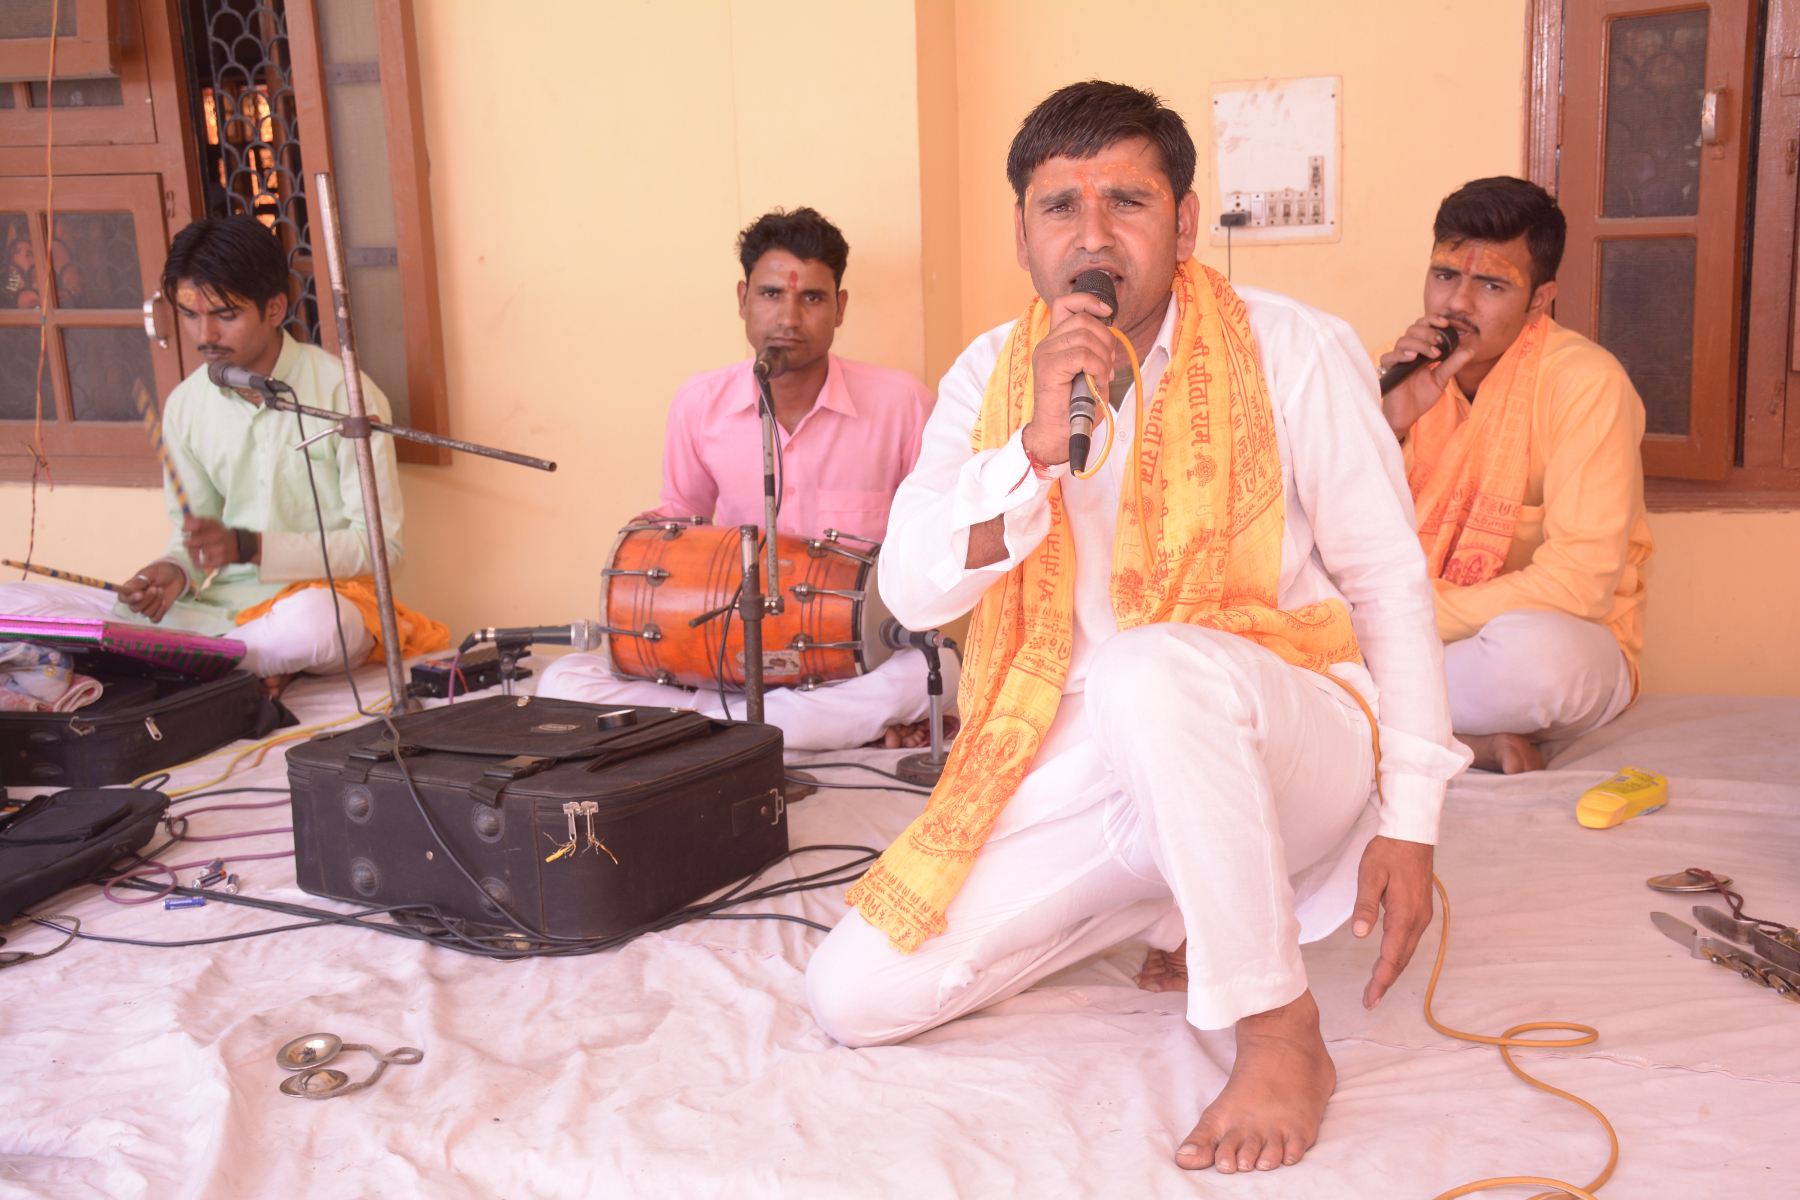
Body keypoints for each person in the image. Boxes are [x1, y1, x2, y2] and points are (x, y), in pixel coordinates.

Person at [804, 81, 1468, 1175]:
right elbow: (915, 594)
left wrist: (1414, 818)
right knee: (857, 995)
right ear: (1023, 233)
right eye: (1059, 206)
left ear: (1186, 221)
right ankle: (1181, 898)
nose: (1093, 235)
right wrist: (1027, 452)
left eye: (1127, 201)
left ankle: (1278, 1029)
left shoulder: (1295, 347)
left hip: (1283, 736)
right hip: (1083, 755)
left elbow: (1390, 584)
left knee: (1144, 671)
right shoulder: (988, 378)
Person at [537, 208, 946, 751]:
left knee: (933, 673)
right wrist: (641, 541)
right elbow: (681, 522)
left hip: (849, 658)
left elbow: (936, 544)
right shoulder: (700, 403)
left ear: (840, 307)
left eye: (812, 297)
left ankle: (717, 729)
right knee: (561, 679)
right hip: (727, 655)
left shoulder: (902, 404)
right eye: (771, 294)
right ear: (742, 299)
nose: (789, 318)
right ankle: (787, 727)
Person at [0, 215, 445, 695]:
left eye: (225, 315)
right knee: (17, 600)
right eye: (190, 315)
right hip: (220, 612)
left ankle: (200, 663)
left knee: (317, 623)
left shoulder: (346, 396)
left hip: (323, 601)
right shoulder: (186, 405)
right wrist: (174, 573)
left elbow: (380, 550)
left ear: (274, 308)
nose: (204, 335)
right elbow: (193, 538)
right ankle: (234, 663)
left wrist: (249, 546)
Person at [1377, 177, 1653, 774]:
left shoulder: (1586, 385)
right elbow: (1335, 539)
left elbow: (1578, 587)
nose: (1457, 304)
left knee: (1542, 661)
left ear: (1539, 299)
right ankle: (1467, 742)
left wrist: (1407, 617)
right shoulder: (1399, 373)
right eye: (1445, 275)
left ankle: (1363, 719)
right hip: (1409, 641)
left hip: (1530, 647)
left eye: (1492, 285)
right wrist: (1389, 424)